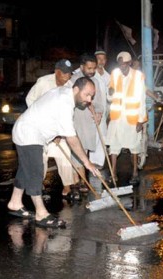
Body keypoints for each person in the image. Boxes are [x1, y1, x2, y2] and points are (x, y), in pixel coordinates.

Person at [7, 77, 100, 228]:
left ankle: (15, 203)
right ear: (76, 90)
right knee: (35, 173)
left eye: (92, 96)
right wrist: (86, 162)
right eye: (87, 95)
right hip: (29, 134)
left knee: (25, 169)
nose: (89, 100)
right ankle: (41, 213)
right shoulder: (65, 104)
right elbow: (72, 138)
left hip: (24, 129)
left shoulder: (65, 92)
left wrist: (55, 131)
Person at [25, 59, 78, 200]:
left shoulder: (70, 86)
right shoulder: (43, 82)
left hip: (58, 129)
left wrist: (60, 132)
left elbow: (69, 111)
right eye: (64, 74)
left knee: (65, 155)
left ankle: (67, 186)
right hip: (40, 129)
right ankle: (38, 184)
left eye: (69, 74)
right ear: (57, 72)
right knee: (41, 158)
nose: (67, 77)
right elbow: (30, 100)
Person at [106, 51, 147, 184]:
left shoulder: (138, 76)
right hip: (117, 118)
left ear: (129, 63)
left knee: (134, 146)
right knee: (114, 146)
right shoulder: (115, 74)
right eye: (119, 63)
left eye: (124, 64)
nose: (122, 66)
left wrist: (141, 120)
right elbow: (110, 96)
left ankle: (135, 173)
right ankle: (113, 173)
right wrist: (110, 93)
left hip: (131, 118)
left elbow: (142, 99)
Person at [70, 54, 104, 189]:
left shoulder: (95, 81)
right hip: (76, 120)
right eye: (89, 68)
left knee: (85, 149)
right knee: (77, 149)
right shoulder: (73, 80)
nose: (91, 71)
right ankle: (79, 181)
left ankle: (82, 179)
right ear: (81, 67)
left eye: (93, 68)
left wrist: (99, 114)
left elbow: (99, 103)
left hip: (89, 122)